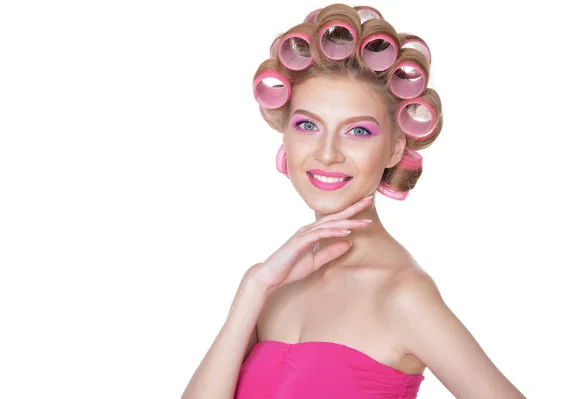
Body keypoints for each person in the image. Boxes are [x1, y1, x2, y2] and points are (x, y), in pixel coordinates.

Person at [181, 4, 527, 398]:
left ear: (396, 148)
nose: (327, 153)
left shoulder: (402, 293)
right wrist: (252, 289)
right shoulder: (272, 284)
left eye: (358, 131)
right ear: (286, 136)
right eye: (308, 125)